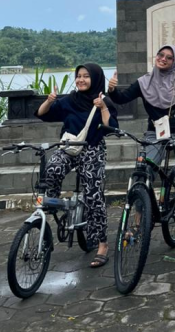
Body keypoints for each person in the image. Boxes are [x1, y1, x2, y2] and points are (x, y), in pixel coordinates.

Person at [108, 44, 175, 254]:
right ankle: (138, 225)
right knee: (142, 175)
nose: (163, 59)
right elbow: (121, 98)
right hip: (155, 133)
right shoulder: (144, 82)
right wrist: (111, 89)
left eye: (169, 57)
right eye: (161, 55)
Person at [35, 63, 117, 268]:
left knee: (93, 196)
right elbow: (43, 114)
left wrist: (103, 107)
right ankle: (56, 206)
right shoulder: (70, 99)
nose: (81, 80)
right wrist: (49, 101)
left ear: (95, 79)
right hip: (69, 147)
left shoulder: (103, 100)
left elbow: (111, 128)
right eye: (78, 76)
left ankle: (102, 243)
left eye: (86, 76)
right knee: (52, 169)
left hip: (93, 148)